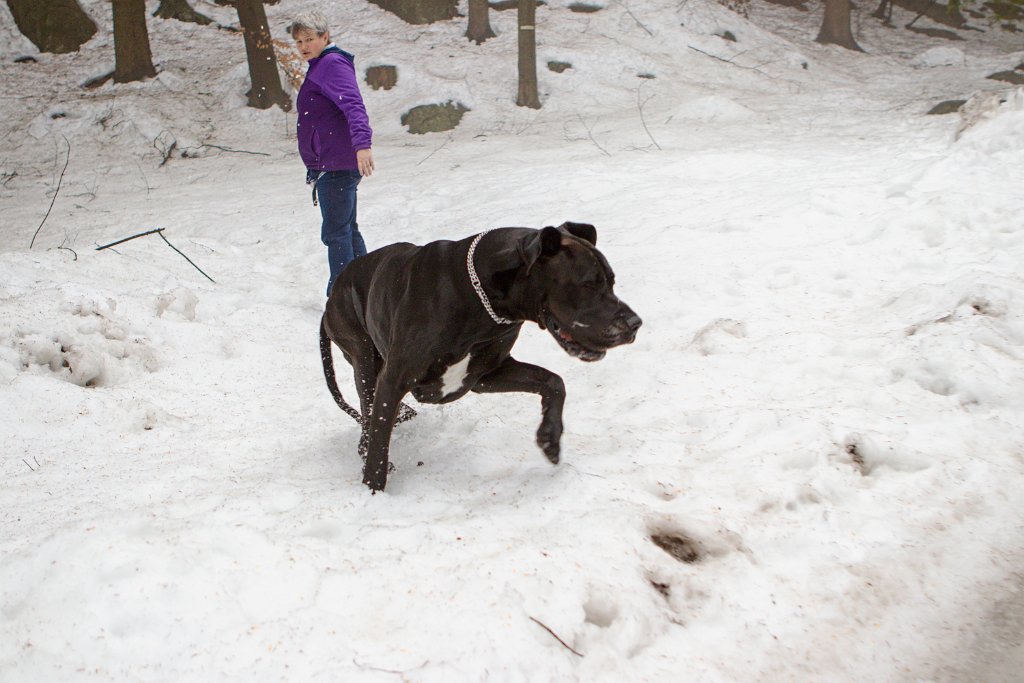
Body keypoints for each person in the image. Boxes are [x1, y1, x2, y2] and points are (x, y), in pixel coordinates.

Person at [288, 11, 375, 296]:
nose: (303, 46)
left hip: (337, 163)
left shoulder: (330, 64)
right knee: (346, 228)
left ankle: (341, 296)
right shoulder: (321, 65)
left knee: (336, 233)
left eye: (310, 39)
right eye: (299, 41)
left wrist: (362, 145)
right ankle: (365, 290)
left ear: (325, 37)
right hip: (332, 162)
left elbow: (354, 105)